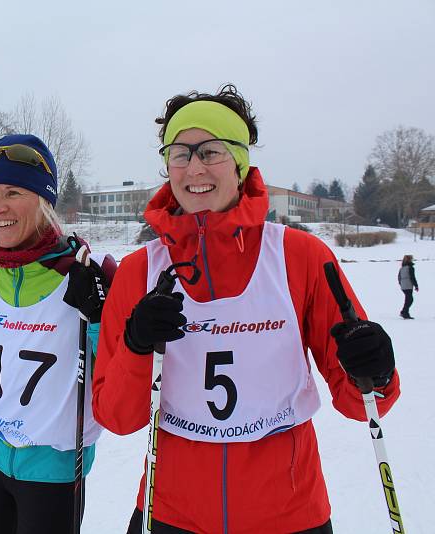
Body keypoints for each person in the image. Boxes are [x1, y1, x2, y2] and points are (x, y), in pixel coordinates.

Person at [92, 85, 400, 533]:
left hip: (288, 514)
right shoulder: (141, 270)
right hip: (172, 510)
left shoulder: (301, 256)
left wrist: (374, 368)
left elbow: (362, 402)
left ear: (239, 162)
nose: (194, 167)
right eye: (180, 153)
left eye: (211, 151)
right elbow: (117, 417)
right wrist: (138, 347)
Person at [0, 134, 117, 533]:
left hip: (52, 469)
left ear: (44, 201)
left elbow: (113, 383)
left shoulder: (84, 272)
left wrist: (101, 317)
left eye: (14, 192)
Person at [398, 254, 418, 319]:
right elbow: (412, 277)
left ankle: (404, 312)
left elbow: (399, 277)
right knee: (409, 300)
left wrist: (401, 284)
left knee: (408, 299)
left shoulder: (402, 268)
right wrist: (416, 285)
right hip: (408, 285)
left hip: (403, 286)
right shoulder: (410, 268)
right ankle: (404, 313)